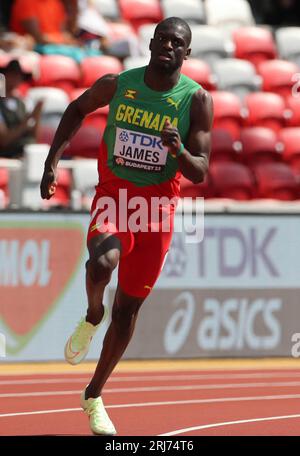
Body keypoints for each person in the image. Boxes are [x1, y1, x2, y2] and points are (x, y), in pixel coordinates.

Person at [40, 16, 213, 435]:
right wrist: (51, 163)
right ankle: (92, 313)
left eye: (178, 43)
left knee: (129, 309)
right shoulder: (118, 84)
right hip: (115, 198)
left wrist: (180, 150)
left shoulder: (196, 100)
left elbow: (201, 171)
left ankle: (93, 394)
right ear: (151, 43)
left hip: (158, 212)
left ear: (186, 54)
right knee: (103, 263)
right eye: (163, 39)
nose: (169, 46)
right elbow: (76, 108)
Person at [0, 59, 43, 158]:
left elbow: (35, 137)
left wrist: (37, 115)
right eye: (12, 75)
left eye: (18, 76)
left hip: (27, 152)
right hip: (8, 155)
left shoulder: (24, 102)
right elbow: (4, 141)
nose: (16, 79)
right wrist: (28, 119)